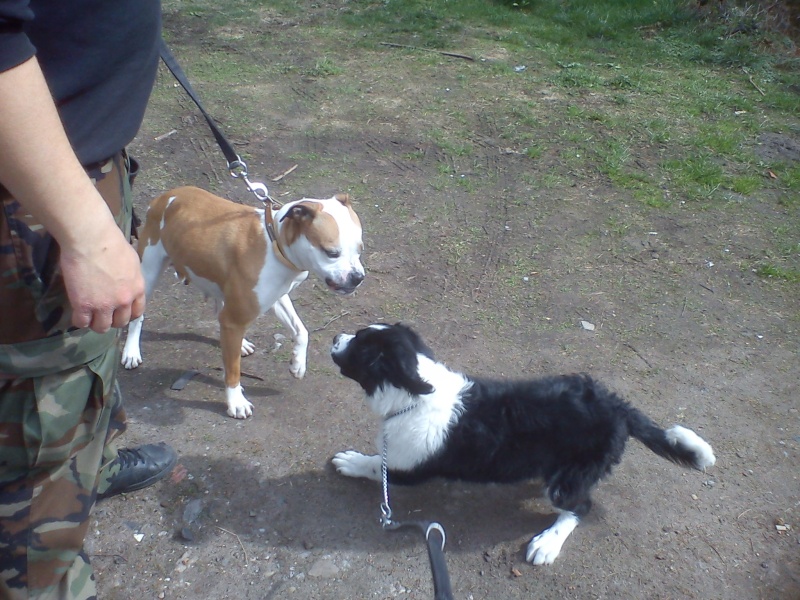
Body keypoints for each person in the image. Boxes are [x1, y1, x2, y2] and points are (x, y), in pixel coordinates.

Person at [0, 2, 177, 598]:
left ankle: (87, 466)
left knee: (80, 373)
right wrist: (85, 229)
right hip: (33, 197)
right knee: (34, 435)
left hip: (76, 173)